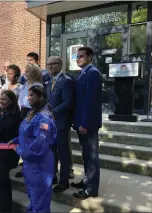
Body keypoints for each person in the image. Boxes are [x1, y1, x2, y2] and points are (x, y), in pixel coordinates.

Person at [8, 85, 57, 213]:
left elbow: (39, 146)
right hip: (30, 166)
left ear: (41, 97)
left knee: (40, 202)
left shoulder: (44, 118)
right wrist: (17, 140)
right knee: (33, 199)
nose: (28, 98)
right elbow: (28, 133)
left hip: (40, 167)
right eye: (28, 95)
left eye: (32, 95)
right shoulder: (32, 113)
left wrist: (19, 150)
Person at [72, 47, 102, 199]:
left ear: (90, 57)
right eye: (77, 56)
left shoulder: (93, 74)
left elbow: (91, 102)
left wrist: (84, 123)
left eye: (81, 56)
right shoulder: (83, 74)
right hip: (80, 123)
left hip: (88, 124)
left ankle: (92, 188)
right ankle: (87, 180)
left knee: (91, 156)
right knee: (86, 155)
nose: (78, 59)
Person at [46, 56, 75, 192]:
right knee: (52, 151)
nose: (50, 66)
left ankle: (64, 181)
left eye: (54, 64)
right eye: (48, 64)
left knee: (63, 153)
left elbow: (68, 102)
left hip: (61, 122)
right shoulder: (49, 80)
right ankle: (53, 176)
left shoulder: (66, 81)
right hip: (50, 123)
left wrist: (53, 111)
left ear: (61, 65)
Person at [15, 63, 43, 178]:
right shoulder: (25, 84)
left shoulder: (37, 85)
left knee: (31, 142)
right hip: (22, 112)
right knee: (24, 141)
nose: (25, 73)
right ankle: (25, 168)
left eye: (28, 71)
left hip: (32, 112)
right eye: (25, 71)